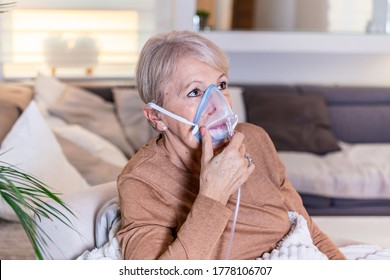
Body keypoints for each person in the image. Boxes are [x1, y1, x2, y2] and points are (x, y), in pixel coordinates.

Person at [116, 30, 346, 260]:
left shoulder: (254, 139)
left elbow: (306, 228)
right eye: (194, 92)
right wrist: (213, 194)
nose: (217, 105)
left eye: (222, 85)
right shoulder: (141, 182)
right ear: (157, 117)